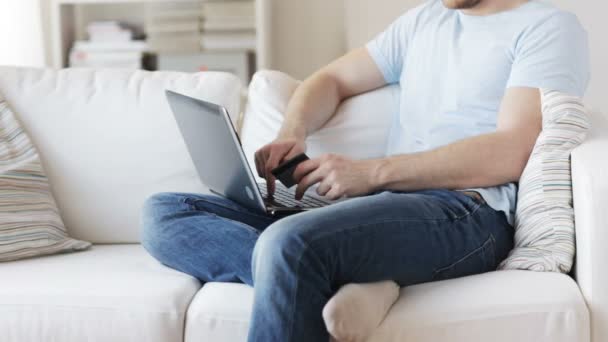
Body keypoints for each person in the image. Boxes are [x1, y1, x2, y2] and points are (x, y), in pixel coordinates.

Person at [141, 0, 590, 341]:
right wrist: (293, 131)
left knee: (289, 244)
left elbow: (511, 150)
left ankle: (312, 268)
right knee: (166, 212)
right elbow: (329, 80)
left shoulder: (547, 25)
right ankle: (348, 274)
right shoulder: (424, 21)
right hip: (384, 208)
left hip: (469, 212)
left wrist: (372, 174)